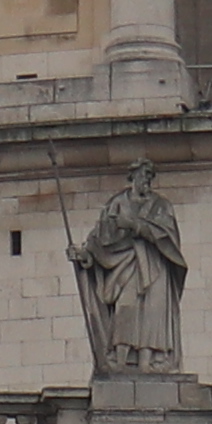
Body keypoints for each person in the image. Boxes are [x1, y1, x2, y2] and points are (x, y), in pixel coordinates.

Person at [74, 155, 188, 373]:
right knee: (126, 309)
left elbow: (168, 236)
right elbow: (100, 237)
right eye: (143, 175)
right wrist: (85, 255)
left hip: (156, 267)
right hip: (125, 265)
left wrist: (135, 226)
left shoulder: (161, 205)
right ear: (133, 176)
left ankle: (148, 363)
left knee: (153, 315)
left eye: (149, 176)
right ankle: (121, 362)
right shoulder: (117, 204)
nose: (147, 180)